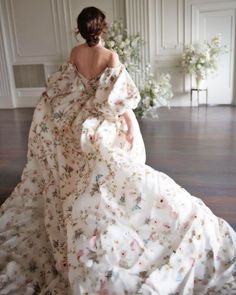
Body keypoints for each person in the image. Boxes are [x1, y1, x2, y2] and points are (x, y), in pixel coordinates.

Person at [0, 6, 235, 295]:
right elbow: (117, 99)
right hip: (98, 116)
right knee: (119, 157)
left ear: (79, 29)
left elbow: (66, 87)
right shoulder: (110, 56)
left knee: (88, 154)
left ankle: (86, 184)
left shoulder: (75, 53)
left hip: (77, 115)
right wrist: (128, 126)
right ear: (103, 28)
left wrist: (61, 109)